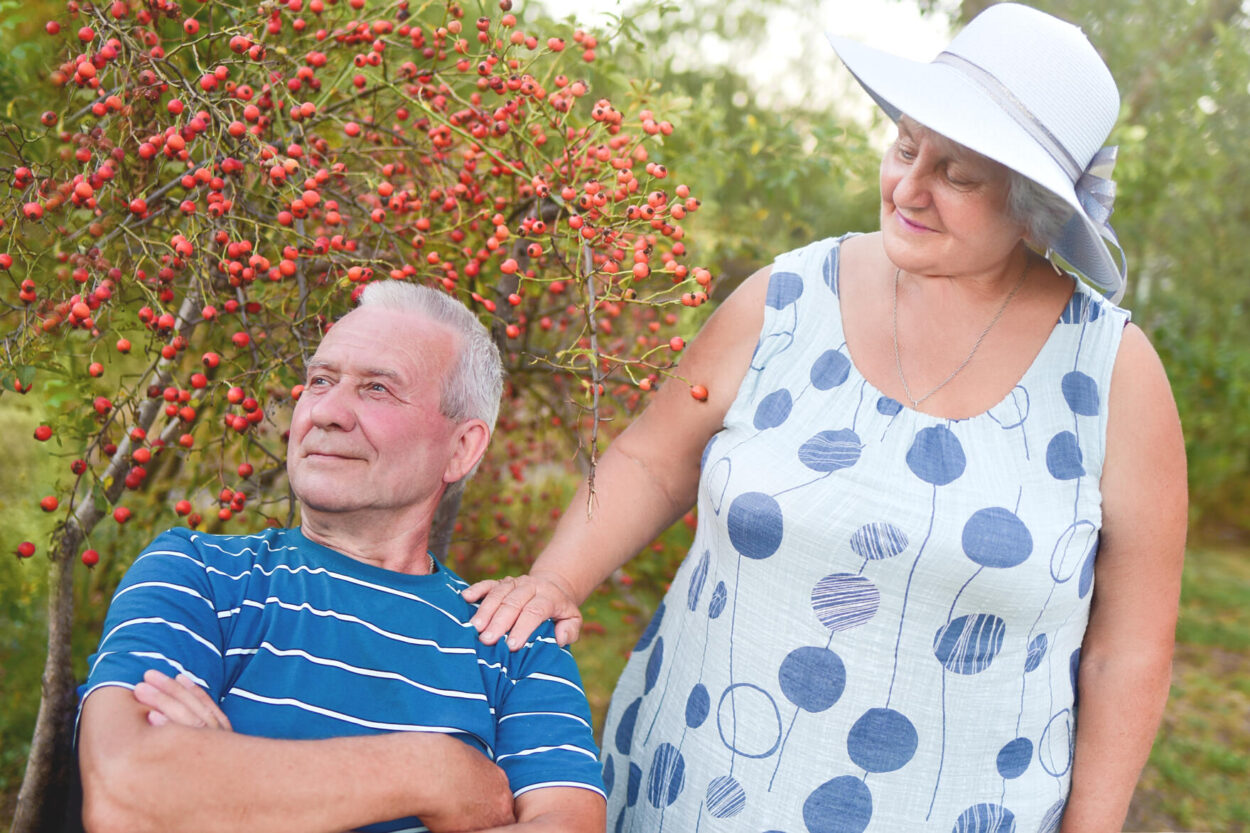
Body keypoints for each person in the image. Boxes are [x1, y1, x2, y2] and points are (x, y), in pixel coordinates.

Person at [463, 4, 1187, 831]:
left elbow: (1126, 651)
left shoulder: (1114, 376)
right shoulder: (786, 298)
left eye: (956, 175)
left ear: (1034, 207)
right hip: (690, 788)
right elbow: (654, 459)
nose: (908, 188)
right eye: (907, 146)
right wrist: (556, 579)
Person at [77, 281, 606, 833]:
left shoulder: (512, 639)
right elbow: (131, 796)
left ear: (462, 448)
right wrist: (436, 772)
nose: (326, 411)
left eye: (377, 389)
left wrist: (229, 791)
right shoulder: (199, 574)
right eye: (320, 381)